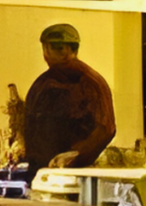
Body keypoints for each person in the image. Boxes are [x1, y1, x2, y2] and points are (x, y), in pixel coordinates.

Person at [23, 23, 116, 181]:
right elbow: (30, 120)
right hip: (41, 172)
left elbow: (106, 128)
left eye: (62, 48)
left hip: (75, 175)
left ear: (73, 50)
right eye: (56, 48)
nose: (62, 53)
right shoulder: (43, 83)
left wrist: (77, 154)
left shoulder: (91, 82)